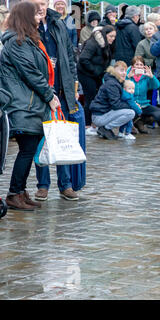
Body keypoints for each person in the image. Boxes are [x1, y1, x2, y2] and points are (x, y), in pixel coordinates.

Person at [0, 1, 60, 210]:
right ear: (26, 17)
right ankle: (14, 193)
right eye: (35, 13)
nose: (39, 15)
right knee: (27, 149)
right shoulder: (17, 42)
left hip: (30, 103)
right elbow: (31, 74)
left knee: (28, 148)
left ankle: (20, 191)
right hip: (23, 104)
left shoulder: (26, 41)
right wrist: (49, 96)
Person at [30, 0, 79, 202]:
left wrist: (73, 86)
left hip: (60, 88)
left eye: (42, 2)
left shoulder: (58, 23)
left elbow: (69, 56)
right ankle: (42, 185)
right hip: (39, 92)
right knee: (42, 139)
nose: (40, 7)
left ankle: (65, 184)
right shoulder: (28, 26)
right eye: (36, 3)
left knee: (62, 136)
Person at [77, 25, 116, 136]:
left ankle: (95, 123)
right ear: (105, 34)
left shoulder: (107, 44)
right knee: (90, 97)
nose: (113, 38)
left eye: (114, 36)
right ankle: (87, 125)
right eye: (111, 36)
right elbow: (83, 59)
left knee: (97, 97)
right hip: (86, 73)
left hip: (97, 74)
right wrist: (95, 70)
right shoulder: (93, 43)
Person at [89, 61, 136, 140]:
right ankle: (105, 128)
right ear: (114, 71)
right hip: (99, 117)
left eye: (125, 70)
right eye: (121, 70)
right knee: (131, 113)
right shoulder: (112, 84)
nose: (124, 73)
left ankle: (106, 128)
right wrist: (132, 106)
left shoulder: (115, 81)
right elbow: (116, 104)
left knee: (130, 110)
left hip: (102, 115)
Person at [125, 56, 160, 133]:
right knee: (132, 111)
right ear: (132, 66)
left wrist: (151, 77)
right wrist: (128, 77)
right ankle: (131, 125)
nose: (139, 66)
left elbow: (156, 86)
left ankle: (141, 122)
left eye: (141, 64)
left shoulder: (146, 76)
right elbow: (121, 88)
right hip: (130, 104)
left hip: (144, 104)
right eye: (137, 64)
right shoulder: (127, 74)